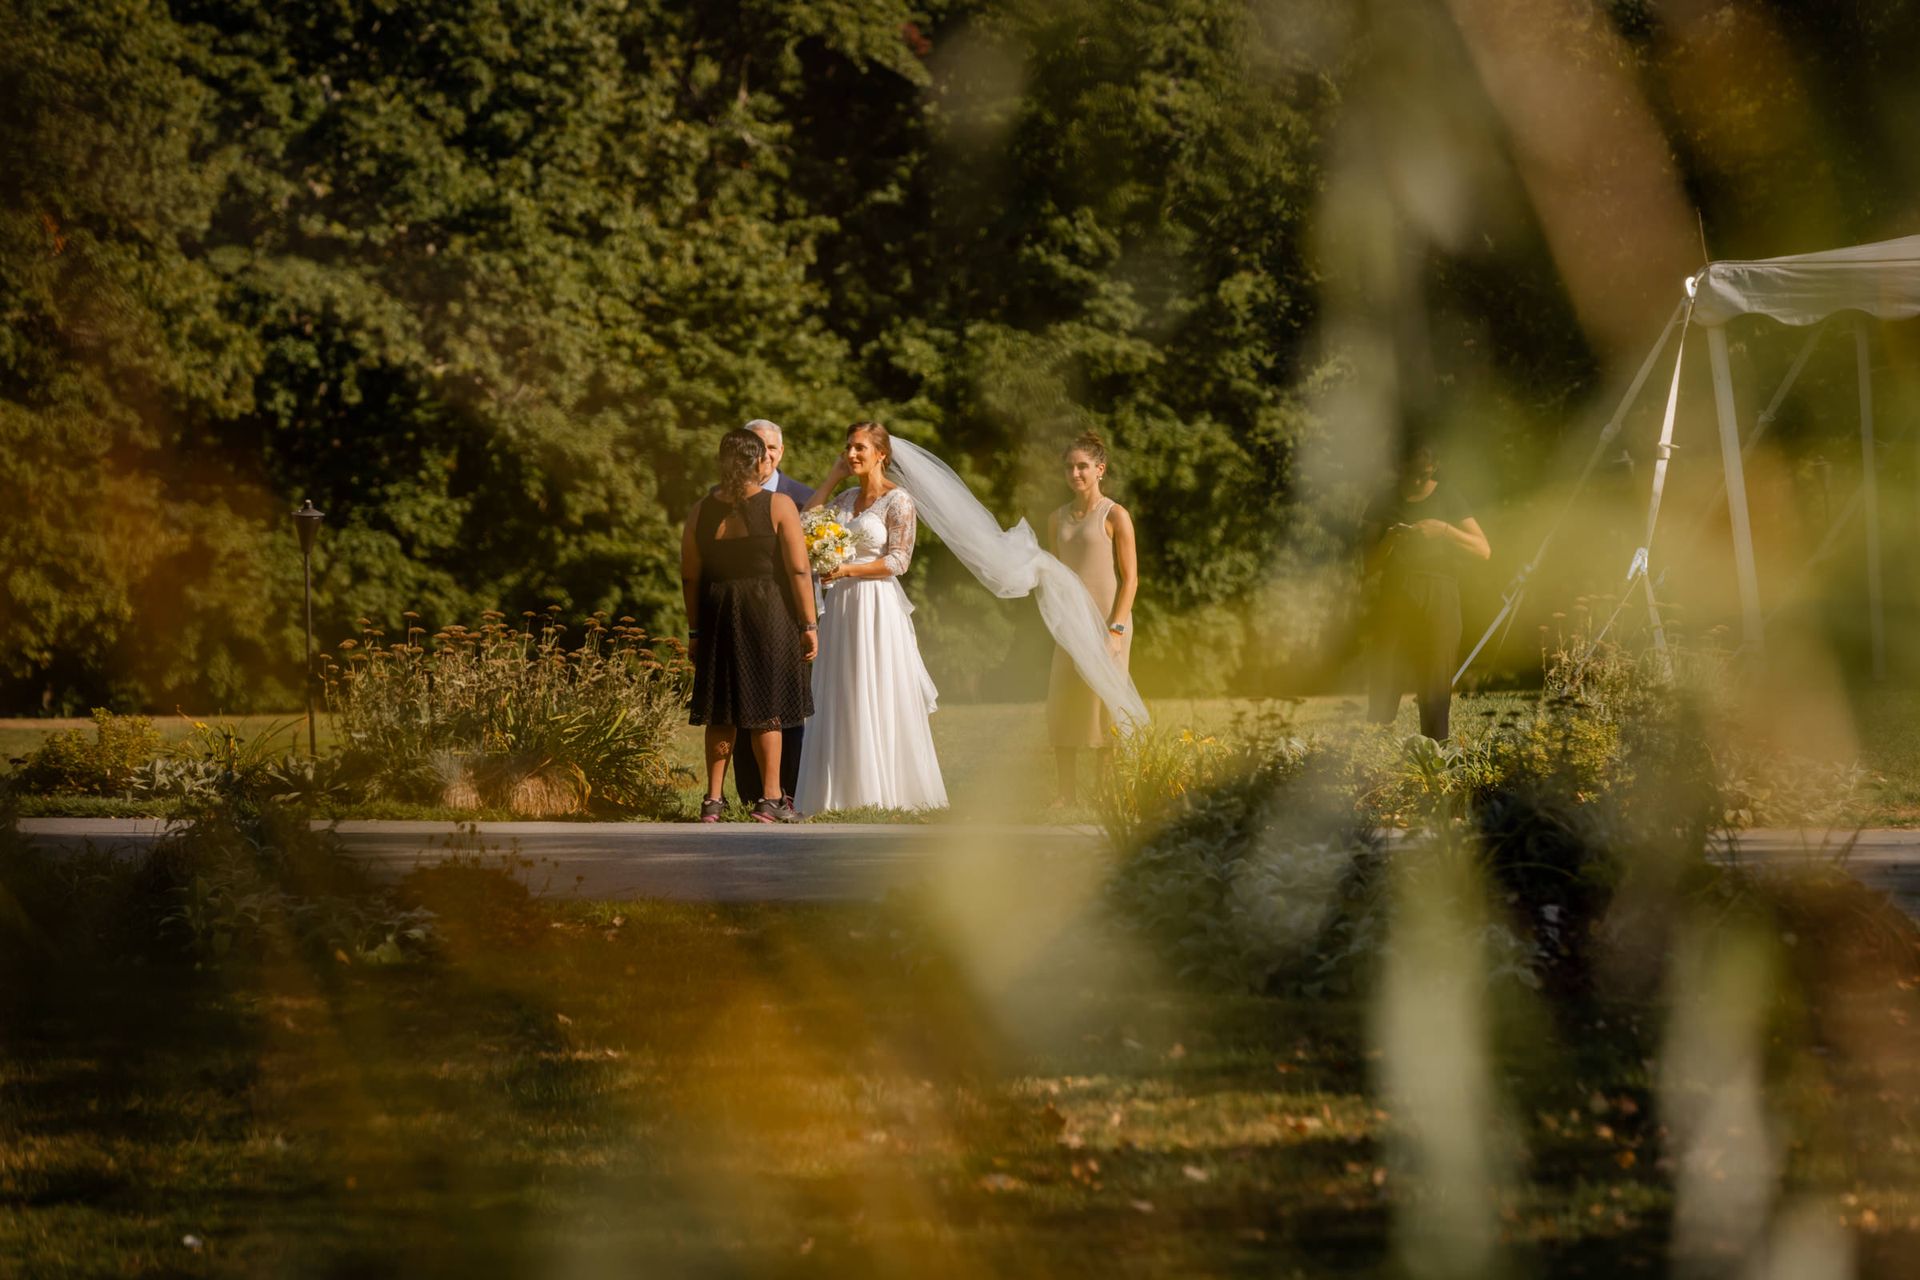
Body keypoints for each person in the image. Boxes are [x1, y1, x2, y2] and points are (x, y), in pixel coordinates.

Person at [794, 422, 948, 814]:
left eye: (860, 448)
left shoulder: (899, 502)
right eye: (848, 448)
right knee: (842, 689)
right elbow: (802, 525)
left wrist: (846, 570)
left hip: (876, 605)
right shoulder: (845, 498)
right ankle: (841, 792)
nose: (851, 454)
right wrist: (831, 477)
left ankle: (887, 791)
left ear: (881, 454)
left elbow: (899, 560)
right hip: (842, 607)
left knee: (875, 685)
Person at [681, 429, 818, 823]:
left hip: (718, 612)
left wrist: (695, 630)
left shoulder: (700, 510)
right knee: (768, 706)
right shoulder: (778, 505)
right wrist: (809, 623)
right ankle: (770, 799)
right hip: (768, 611)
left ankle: (712, 800)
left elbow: (690, 575)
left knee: (721, 709)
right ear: (760, 462)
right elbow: (797, 569)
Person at [1361, 444, 1489, 740]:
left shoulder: (1448, 495)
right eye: (1411, 473)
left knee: (1435, 675)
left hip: (1440, 590)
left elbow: (1483, 549)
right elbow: (1367, 565)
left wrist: (1444, 530)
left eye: (1424, 473)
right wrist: (1390, 540)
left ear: (1434, 466)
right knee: (1385, 670)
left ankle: (1435, 752)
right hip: (1395, 590)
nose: (1418, 480)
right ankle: (1374, 747)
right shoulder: (1384, 499)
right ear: (1399, 467)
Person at [1045, 431, 1138, 806]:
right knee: (1062, 700)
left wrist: (1115, 628)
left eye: (1082, 466)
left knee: (1104, 702)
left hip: (1108, 622)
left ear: (1100, 469)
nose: (1075, 473)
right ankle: (1066, 794)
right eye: (1069, 467)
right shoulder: (1055, 518)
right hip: (1071, 624)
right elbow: (1056, 574)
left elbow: (1130, 578)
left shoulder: (1115, 514)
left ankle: (1102, 793)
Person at [730, 418, 814, 808]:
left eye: (772, 449)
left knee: (788, 706)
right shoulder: (722, 498)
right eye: (757, 447)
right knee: (742, 705)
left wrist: (808, 620)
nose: (765, 456)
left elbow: (804, 565)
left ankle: (789, 791)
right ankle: (751, 793)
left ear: (782, 452)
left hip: (788, 614)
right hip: (739, 614)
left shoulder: (802, 497)